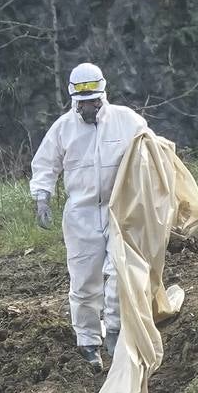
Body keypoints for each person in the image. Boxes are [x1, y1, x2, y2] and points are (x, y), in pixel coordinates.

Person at [30, 62, 149, 370]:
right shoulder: (63, 129)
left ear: (103, 96)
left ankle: (116, 330)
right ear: (74, 100)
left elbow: (151, 153)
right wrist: (42, 197)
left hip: (119, 211)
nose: (88, 108)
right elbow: (45, 164)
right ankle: (88, 341)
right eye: (83, 103)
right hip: (80, 215)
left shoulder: (127, 121)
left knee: (119, 273)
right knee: (84, 282)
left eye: (93, 101)